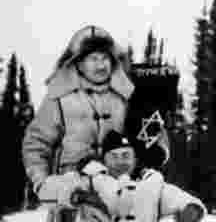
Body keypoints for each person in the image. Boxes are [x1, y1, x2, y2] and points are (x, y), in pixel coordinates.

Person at [23, 25, 134, 205]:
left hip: (118, 190)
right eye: (93, 58)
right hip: (72, 193)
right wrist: (42, 182)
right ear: (78, 63)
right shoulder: (59, 97)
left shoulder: (125, 96)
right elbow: (37, 143)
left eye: (105, 58)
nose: (101, 65)